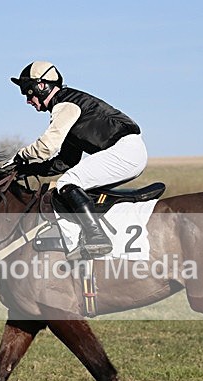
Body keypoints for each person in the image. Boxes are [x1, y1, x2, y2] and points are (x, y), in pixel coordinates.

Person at [10, 61, 147, 258]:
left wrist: (21, 156)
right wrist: (28, 170)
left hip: (125, 150)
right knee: (71, 180)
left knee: (67, 182)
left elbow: (47, 146)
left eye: (27, 91)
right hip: (127, 150)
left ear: (41, 86)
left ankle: (97, 237)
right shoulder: (68, 107)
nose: (27, 99)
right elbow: (65, 162)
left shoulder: (65, 105)